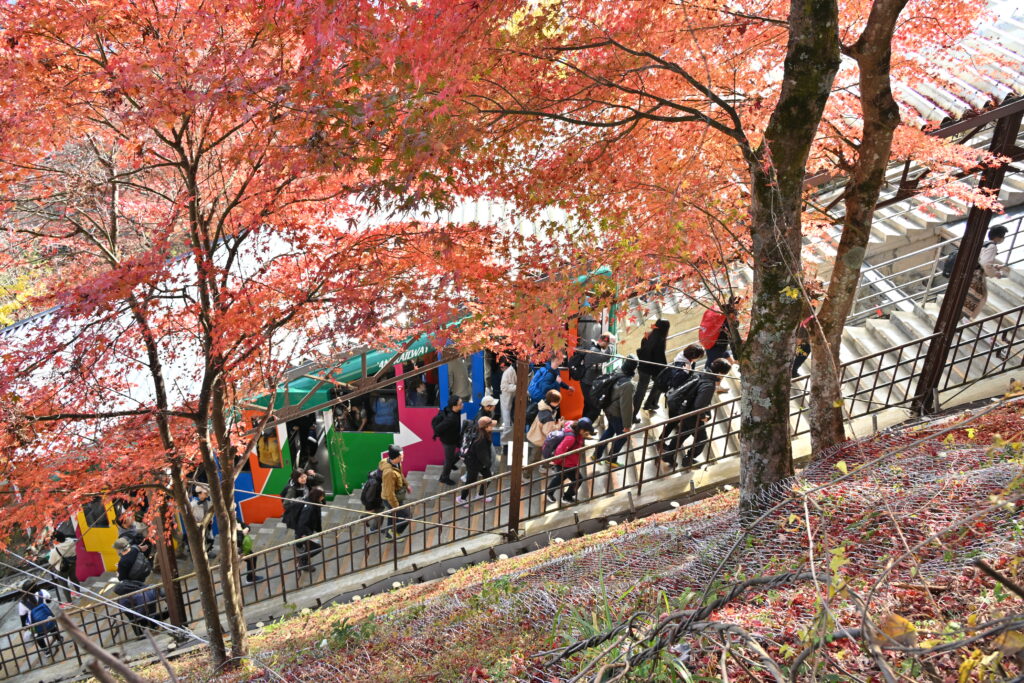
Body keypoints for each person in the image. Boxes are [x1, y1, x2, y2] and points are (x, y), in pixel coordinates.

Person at [663, 358, 732, 468]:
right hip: (693, 415)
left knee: (682, 434)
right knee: (702, 439)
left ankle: (669, 455)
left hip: (685, 410)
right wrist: (704, 416)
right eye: (724, 373)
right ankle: (688, 459)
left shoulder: (702, 373)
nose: (724, 376)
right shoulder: (709, 385)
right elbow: (699, 405)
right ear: (720, 373)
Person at [962, 226, 1013, 356]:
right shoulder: (992, 246)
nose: (1003, 239)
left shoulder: (984, 243)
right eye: (1002, 236)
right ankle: (964, 319)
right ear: (998, 237)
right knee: (977, 298)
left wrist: (994, 267)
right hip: (977, 276)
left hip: (972, 273)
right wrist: (995, 273)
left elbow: (982, 261)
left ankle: (964, 319)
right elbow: (985, 263)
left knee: (970, 298)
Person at [654, 345, 705, 457]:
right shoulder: (682, 366)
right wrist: (686, 373)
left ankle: (662, 440)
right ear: (693, 356)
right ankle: (661, 440)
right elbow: (676, 382)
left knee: (673, 421)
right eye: (699, 357)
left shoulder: (683, 358)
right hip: (675, 399)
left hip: (675, 397)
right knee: (672, 421)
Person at [593, 357, 637, 467]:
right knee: (623, 437)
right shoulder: (628, 384)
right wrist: (627, 425)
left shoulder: (618, 372)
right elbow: (626, 406)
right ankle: (611, 459)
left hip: (607, 408)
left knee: (610, 430)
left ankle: (596, 454)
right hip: (615, 413)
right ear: (633, 369)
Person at [545, 418, 595, 505]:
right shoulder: (570, 438)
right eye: (586, 431)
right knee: (578, 479)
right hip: (567, 463)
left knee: (560, 477)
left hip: (567, 461)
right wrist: (557, 463)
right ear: (582, 430)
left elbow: (566, 423)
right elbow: (559, 451)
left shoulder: (572, 424)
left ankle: (549, 492)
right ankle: (567, 497)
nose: (587, 433)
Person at [576, 333, 615, 422]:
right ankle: (584, 428)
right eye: (607, 344)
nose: (607, 346)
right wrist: (612, 343)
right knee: (595, 409)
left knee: (588, 406)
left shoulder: (594, 347)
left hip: (588, 383)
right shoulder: (594, 351)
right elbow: (607, 356)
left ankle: (582, 426)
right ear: (603, 342)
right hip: (587, 384)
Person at [635, 319, 670, 416]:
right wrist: (665, 369)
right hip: (652, 367)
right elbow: (660, 357)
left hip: (643, 366)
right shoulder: (660, 340)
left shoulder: (647, 335)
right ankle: (650, 404)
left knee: (640, 392)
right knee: (659, 383)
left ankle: (634, 414)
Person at [18, 584, 62, 658]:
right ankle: (59, 638)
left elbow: (23, 617)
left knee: (38, 636)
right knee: (52, 625)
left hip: (37, 627)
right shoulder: (43, 592)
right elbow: (48, 601)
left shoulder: (22, 602)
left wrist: (25, 627)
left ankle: (46, 651)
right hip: (49, 621)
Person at [460, 416, 496, 505]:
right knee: (470, 481)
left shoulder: (480, 432)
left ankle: (480, 495)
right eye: (491, 425)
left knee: (488, 476)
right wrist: (488, 464)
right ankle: (462, 498)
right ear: (485, 427)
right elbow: (483, 456)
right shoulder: (481, 440)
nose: (493, 427)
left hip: (478, 462)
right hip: (473, 463)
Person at [380, 446, 411, 539]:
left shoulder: (397, 464)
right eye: (401, 455)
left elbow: (400, 475)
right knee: (407, 516)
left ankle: (389, 535)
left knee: (393, 515)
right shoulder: (389, 473)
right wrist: (396, 507)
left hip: (394, 496)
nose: (403, 456)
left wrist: (406, 485)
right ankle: (395, 533)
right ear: (396, 457)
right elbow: (390, 493)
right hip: (391, 498)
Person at [703, 296, 741, 371]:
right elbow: (733, 341)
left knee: (713, 360)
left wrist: (733, 361)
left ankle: (706, 374)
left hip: (711, 343)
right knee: (713, 366)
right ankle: (707, 377)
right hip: (716, 347)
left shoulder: (721, 315)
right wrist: (737, 357)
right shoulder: (728, 322)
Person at [294, 486, 324, 574]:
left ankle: (303, 560)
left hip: (307, 531)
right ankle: (302, 562)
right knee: (317, 548)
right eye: (321, 496)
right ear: (317, 496)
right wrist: (307, 535)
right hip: (304, 533)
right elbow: (302, 523)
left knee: (311, 547)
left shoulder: (313, 502)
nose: (322, 498)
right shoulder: (309, 508)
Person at [434, 396, 464, 485]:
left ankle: (452, 463)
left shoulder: (453, 411)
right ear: (454, 406)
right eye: (460, 404)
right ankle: (444, 478)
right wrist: (447, 434)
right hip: (449, 441)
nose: (462, 405)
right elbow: (438, 429)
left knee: (461, 451)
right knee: (448, 460)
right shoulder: (451, 418)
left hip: (454, 438)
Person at [526, 389, 563, 460]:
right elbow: (549, 433)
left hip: (534, 435)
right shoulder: (547, 415)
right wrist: (559, 425)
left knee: (532, 458)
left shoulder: (543, 406)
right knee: (534, 460)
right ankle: (526, 471)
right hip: (539, 440)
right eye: (558, 401)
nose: (559, 403)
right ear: (553, 402)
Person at [47, 532, 77, 601]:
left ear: (57, 539)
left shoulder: (55, 550)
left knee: (64, 585)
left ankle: (69, 602)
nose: (53, 540)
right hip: (73, 563)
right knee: (74, 579)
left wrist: (52, 549)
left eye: (54, 539)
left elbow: (51, 562)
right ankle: (78, 593)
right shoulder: (71, 541)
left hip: (63, 568)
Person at [189, 484, 215, 553]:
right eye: (205, 492)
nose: (207, 494)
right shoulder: (193, 505)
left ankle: (207, 552)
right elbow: (189, 517)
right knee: (200, 542)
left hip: (207, 524)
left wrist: (211, 519)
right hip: (197, 526)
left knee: (210, 539)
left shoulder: (208, 502)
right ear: (199, 494)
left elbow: (211, 512)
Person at [499, 356, 517, 444]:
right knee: (508, 422)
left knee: (508, 422)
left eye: (501, 367)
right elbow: (505, 387)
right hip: (507, 399)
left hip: (508, 399)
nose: (501, 368)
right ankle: (506, 443)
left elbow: (504, 387)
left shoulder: (508, 372)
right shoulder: (509, 371)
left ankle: (506, 443)